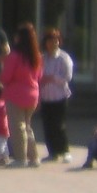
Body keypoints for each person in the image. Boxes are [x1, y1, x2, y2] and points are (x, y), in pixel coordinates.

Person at [0, 22, 44, 167]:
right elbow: (39, 75)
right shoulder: (36, 56)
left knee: (17, 127)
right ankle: (33, 157)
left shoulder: (15, 56)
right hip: (33, 94)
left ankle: (20, 158)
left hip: (16, 94)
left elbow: (5, 77)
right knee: (27, 126)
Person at [38, 27, 75, 163]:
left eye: (56, 40)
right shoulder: (42, 58)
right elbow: (38, 76)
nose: (54, 43)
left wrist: (53, 78)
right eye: (50, 40)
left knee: (59, 125)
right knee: (48, 125)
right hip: (46, 97)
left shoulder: (64, 57)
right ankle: (52, 152)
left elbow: (68, 77)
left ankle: (64, 150)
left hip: (60, 97)